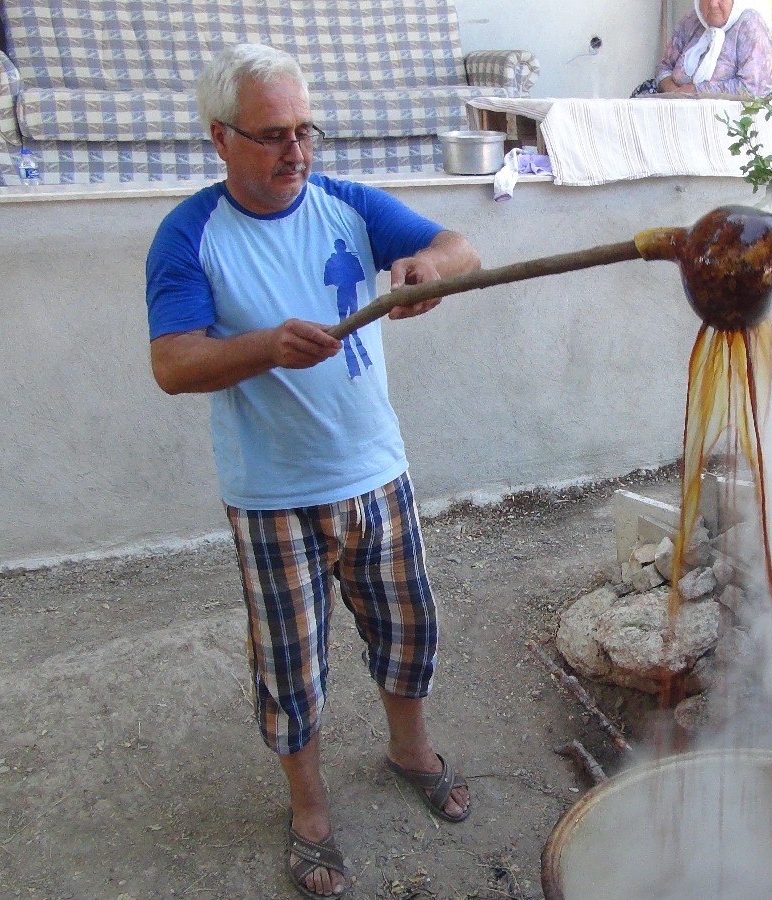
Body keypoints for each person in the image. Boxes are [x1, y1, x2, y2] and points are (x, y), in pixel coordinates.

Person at [145, 43, 481, 900]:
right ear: (220, 139)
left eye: (305, 131)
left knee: (406, 630)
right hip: (273, 497)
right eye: (271, 136)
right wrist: (265, 348)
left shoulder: (344, 204)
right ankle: (311, 815)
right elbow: (176, 364)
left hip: (377, 473)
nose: (296, 152)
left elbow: (459, 247)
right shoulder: (189, 235)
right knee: (291, 665)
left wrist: (424, 269)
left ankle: (410, 751)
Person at [633, 0, 772, 99]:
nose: (713, 4)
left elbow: (753, 88)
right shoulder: (691, 21)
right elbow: (664, 66)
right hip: (677, 104)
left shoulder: (750, 26)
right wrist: (673, 92)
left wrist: (695, 92)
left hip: (726, 117)